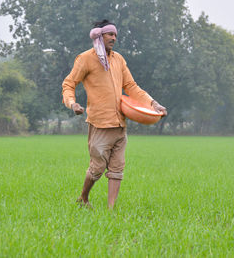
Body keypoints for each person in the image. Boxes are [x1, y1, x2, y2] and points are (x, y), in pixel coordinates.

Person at [62, 20, 167, 209]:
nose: (114, 38)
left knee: (117, 169)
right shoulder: (85, 59)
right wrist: (72, 103)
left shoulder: (119, 59)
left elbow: (131, 87)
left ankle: (111, 211)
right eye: (110, 34)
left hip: (120, 124)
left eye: (115, 35)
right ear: (99, 35)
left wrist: (153, 104)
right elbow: (69, 84)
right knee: (97, 169)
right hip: (100, 124)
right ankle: (83, 198)